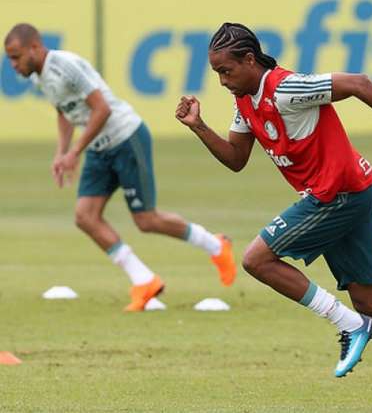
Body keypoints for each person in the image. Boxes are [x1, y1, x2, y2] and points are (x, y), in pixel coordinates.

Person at [174, 22, 372, 410]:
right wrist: (199, 126)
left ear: (250, 60)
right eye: (217, 73)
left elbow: (361, 83)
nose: (221, 81)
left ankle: (348, 323)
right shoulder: (245, 102)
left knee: (256, 259)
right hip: (349, 192)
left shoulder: (286, 88)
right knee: (370, 300)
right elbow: (236, 159)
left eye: (226, 71)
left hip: (337, 194)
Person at [4, 23, 237, 312]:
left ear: (35, 48)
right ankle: (144, 280)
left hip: (126, 138)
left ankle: (216, 246)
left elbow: (103, 109)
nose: (13, 65)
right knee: (85, 216)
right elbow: (64, 112)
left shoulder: (65, 65)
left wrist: (75, 151)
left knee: (146, 220)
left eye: (16, 57)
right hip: (99, 149)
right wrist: (61, 152)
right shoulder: (40, 78)